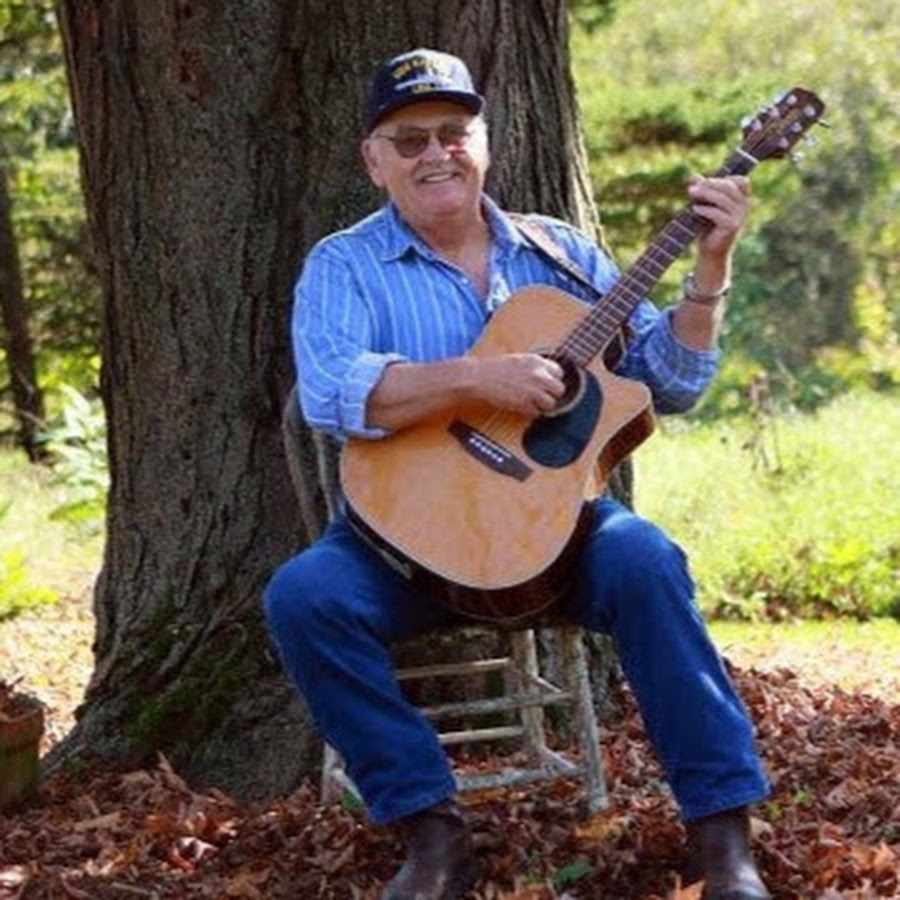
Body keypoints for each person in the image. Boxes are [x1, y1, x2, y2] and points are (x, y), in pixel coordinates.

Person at [263, 48, 772, 900]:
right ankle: (432, 836)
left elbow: (670, 380)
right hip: (400, 546)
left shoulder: (561, 253)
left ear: (485, 144)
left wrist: (710, 269)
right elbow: (329, 392)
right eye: (411, 139)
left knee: (647, 559)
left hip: (555, 540)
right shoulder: (343, 265)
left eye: (454, 133)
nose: (436, 153)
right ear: (374, 160)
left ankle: (724, 842)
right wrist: (476, 380)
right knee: (302, 596)